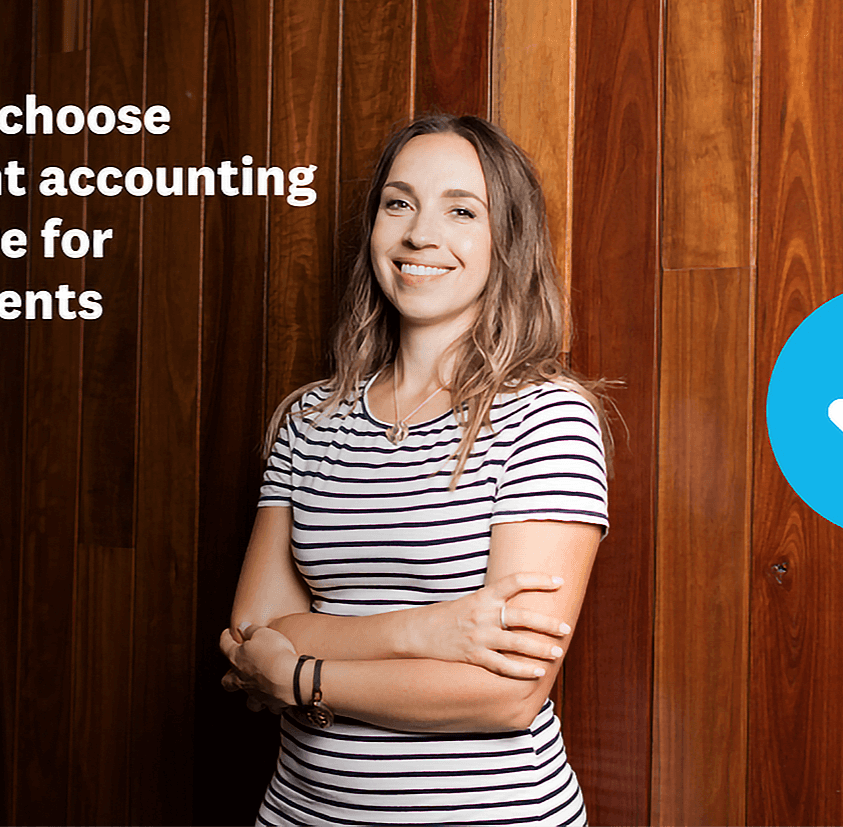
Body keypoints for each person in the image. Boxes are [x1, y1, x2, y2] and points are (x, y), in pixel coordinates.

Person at [218, 113, 613, 827]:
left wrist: (302, 672)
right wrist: (426, 633)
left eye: (461, 210)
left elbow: (504, 694)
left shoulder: (545, 419)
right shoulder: (309, 419)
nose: (420, 234)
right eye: (398, 203)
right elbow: (252, 634)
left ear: (507, 242)